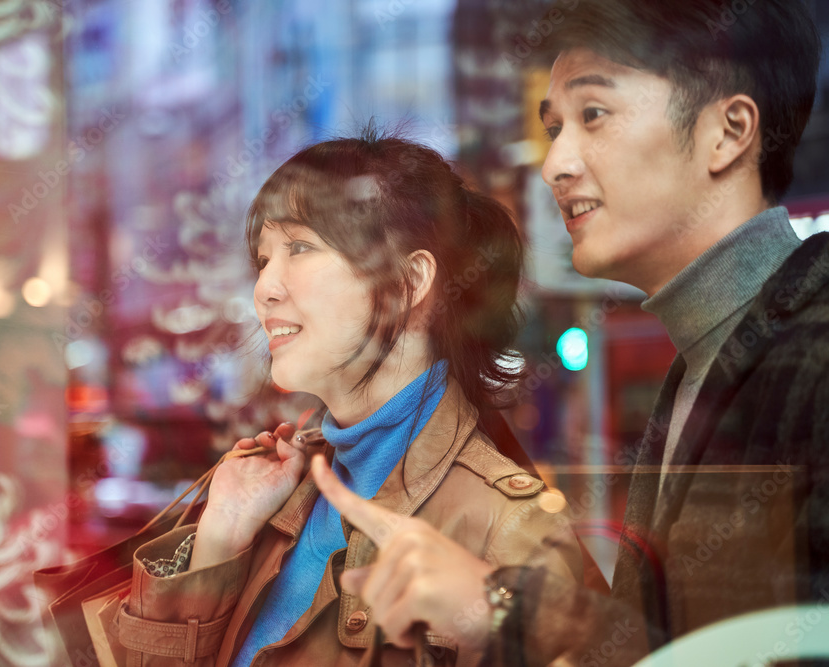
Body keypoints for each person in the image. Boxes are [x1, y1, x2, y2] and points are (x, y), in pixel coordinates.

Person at [307, 1, 829, 665]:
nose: (555, 164)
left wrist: (505, 606)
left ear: (729, 132)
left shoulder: (812, 350)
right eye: (552, 128)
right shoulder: (703, 362)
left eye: (593, 116)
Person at [107, 130, 588, 666]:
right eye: (264, 259)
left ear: (409, 282)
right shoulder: (281, 491)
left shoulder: (510, 530)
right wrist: (219, 539)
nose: (264, 287)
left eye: (301, 248)